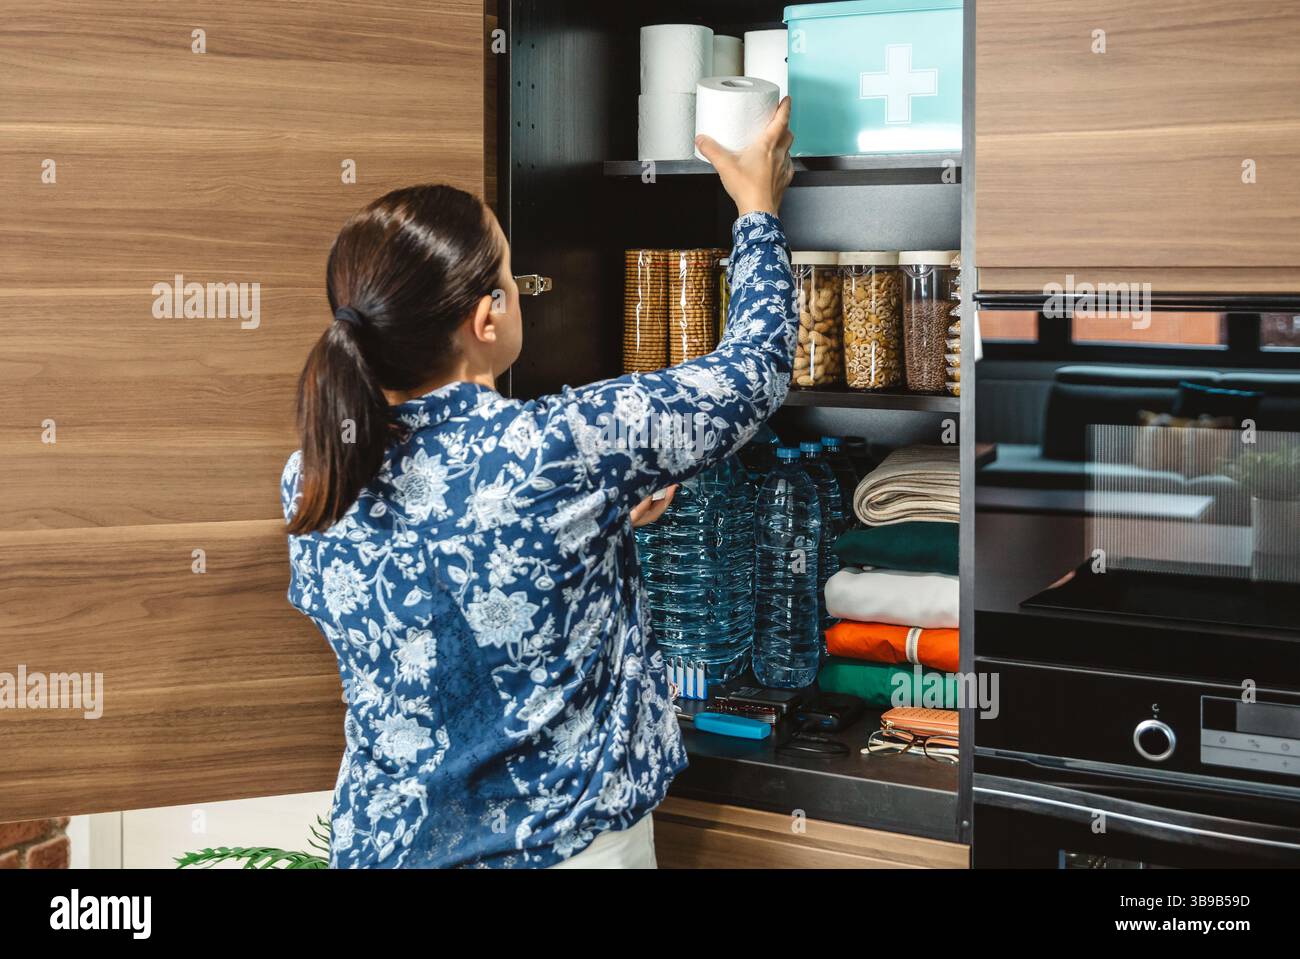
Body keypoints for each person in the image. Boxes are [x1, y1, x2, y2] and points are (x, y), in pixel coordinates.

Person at [280, 99, 796, 868]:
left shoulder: (313, 471)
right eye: (512, 277)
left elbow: (450, 584)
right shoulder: (557, 450)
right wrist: (757, 208)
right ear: (488, 319)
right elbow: (754, 371)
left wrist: (601, 522)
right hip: (561, 852)